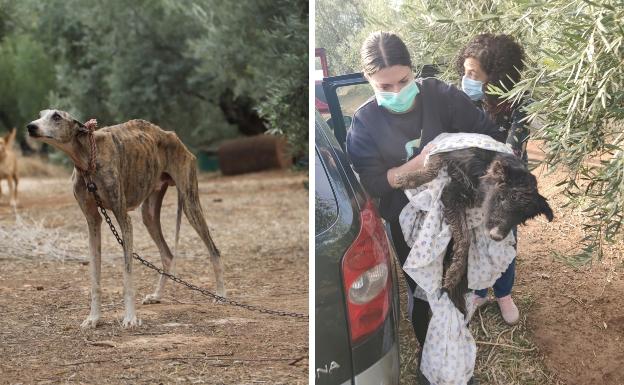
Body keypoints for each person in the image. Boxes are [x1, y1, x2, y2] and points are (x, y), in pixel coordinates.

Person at [346, 31, 505, 383]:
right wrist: (419, 164)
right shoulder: (365, 123)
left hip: (456, 213)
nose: (396, 92)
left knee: (455, 284)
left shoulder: (440, 96)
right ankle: (431, 364)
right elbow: (374, 183)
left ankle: (457, 359)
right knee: (423, 292)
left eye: (403, 81)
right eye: (384, 87)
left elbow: (486, 133)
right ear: (368, 80)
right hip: (407, 223)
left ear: (413, 71)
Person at [457, 33, 529, 325]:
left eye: (474, 73)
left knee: (504, 240)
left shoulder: (520, 104)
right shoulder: (463, 100)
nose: (467, 78)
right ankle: (477, 290)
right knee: (476, 241)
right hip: (472, 186)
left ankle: (503, 293)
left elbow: (511, 150)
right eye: (465, 71)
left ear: (496, 77)